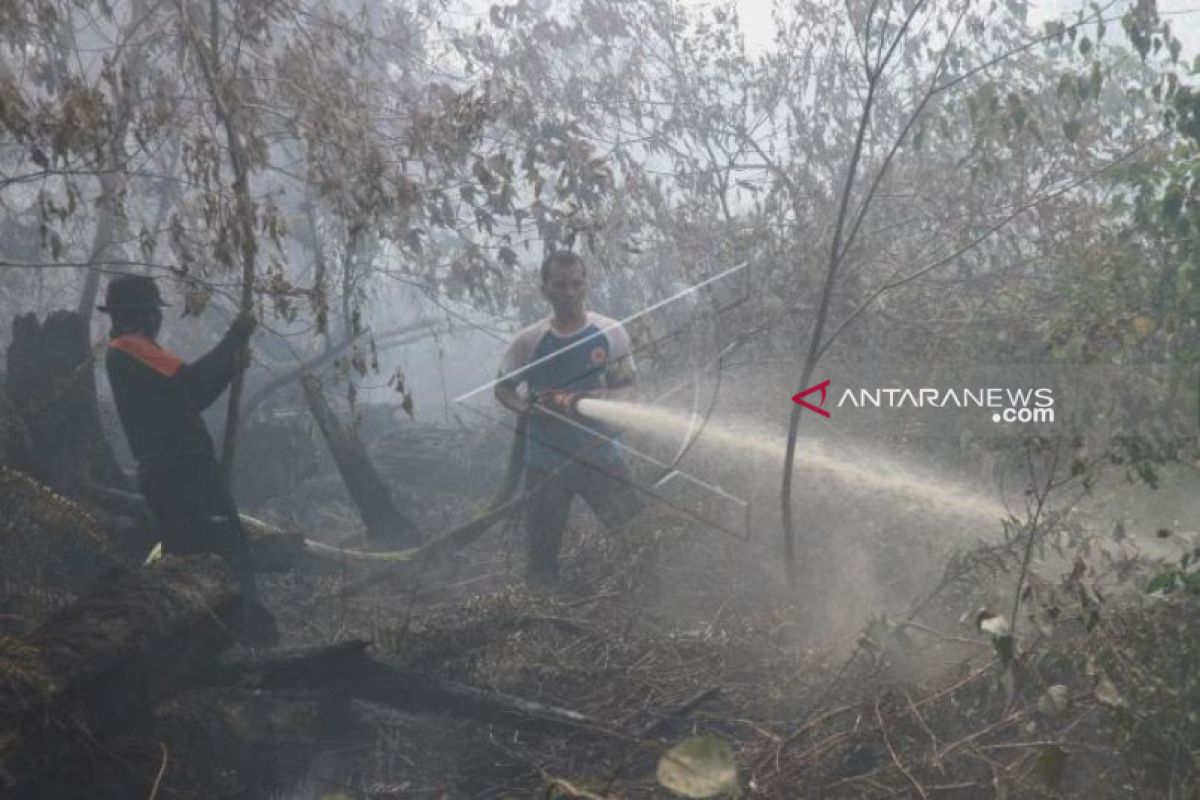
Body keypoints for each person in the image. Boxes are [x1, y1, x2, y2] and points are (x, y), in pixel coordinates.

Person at [99, 274, 277, 644]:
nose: (157, 320)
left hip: (174, 472)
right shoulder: (132, 347)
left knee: (193, 558)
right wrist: (234, 337)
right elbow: (194, 383)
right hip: (182, 472)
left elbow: (192, 397)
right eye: (153, 312)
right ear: (145, 316)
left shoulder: (132, 353)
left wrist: (231, 364)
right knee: (227, 552)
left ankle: (209, 645)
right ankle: (251, 643)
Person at [495, 251, 644, 585]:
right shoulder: (528, 341)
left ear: (586, 284)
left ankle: (647, 599)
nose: (569, 292)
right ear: (544, 288)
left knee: (638, 537)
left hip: (601, 454)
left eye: (577, 283)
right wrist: (527, 407)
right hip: (545, 460)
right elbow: (503, 389)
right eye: (560, 284)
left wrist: (594, 400)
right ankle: (542, 615)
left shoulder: (611, 333)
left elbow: (628, 392)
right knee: (541, 559)